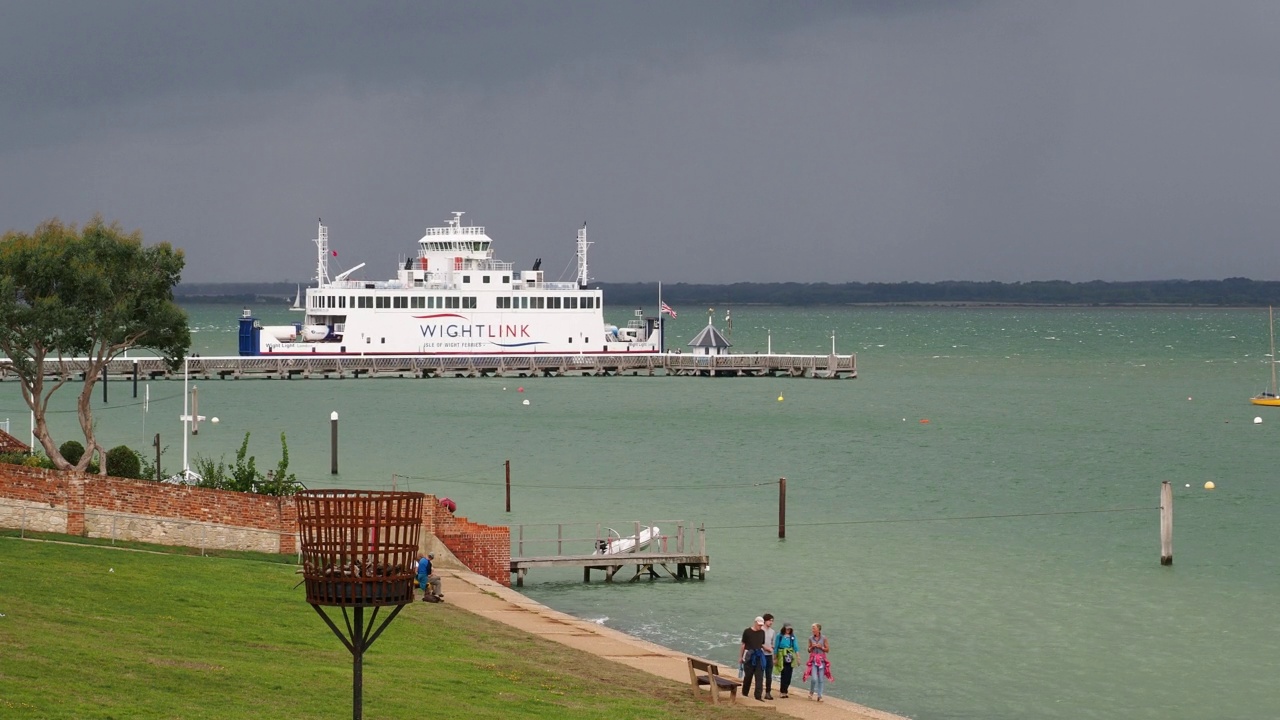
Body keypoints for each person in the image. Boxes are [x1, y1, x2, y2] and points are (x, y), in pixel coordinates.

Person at [739, 616, 767, 701]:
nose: (760, 627)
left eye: (761, 625)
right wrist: (741, 657)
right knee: (748, 676)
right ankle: (745, 693)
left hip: (759, 655)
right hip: (749, 656)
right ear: (755, 623)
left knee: (759, 676)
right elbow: (743, 645)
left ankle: (758, 696)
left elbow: (761, 643)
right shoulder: (747, 632)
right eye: (759, 625)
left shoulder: (762, 632)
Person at [804, 622, 832, 701]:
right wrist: (811, 647)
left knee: (821, 679)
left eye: (814, 628)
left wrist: (822, 647)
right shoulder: (810, 638)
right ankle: (811, 692)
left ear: (818, 629)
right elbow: (808, 650)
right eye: (812, 628)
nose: (812, 630)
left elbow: (827, 650)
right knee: (814, 679)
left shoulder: (824, 638)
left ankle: (819, 696)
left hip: (821, 661)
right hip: (813, 660)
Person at [774, 622, 799, 698]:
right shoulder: (779, 636)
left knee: (789, 674)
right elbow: (776, 647)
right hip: (782, 655)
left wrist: (798, 657)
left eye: (789, 628)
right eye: (787, 628)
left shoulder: (792, 636)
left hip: (790, 655)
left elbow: (796, 647)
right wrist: (775, 658)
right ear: (784, 628)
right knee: (784, 673)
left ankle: (786, 690)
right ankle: (782, 691)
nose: (788, 630)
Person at [761, 613, 776, 700]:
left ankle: (768, 692)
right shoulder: (761, 630)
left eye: (772, 621)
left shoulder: (772, 631)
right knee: (760, 674)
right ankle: (759, 691)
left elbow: (773, 644)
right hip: (762, 654)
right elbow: (759, 643)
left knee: (769, 675)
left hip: (769, 655)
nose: (771, 622)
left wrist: (772, 648)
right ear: (765, 620)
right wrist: (765, 648)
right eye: (769, 620)